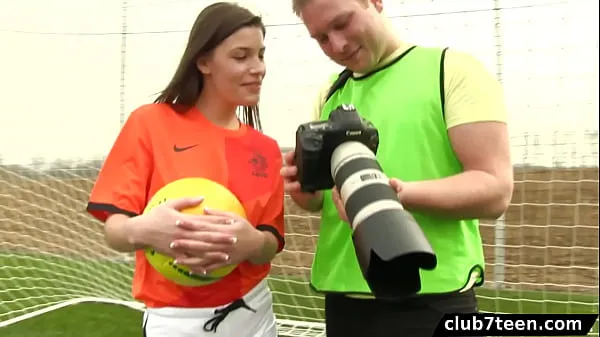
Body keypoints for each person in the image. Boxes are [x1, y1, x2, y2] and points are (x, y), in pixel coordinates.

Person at [281, 0, 514, 336]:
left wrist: (397, 196)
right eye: (321, 38)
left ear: (375, 2)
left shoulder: (451, 70)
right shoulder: (331, 92)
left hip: (433, 295)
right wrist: (301, 188)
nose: (338, 45)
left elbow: (495, 190)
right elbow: (319, 203)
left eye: (343, 23)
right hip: (345, 299)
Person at [86, 3, 284, 337]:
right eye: (241, 56)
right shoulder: (150, 124)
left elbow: (271, 241)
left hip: (255, 315)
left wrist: (251, 243)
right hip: (177, 322)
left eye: (260, 55)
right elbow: (115, 231)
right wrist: (146, 230)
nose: (258, 68)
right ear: (204, 61)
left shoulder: (265, 149)